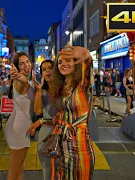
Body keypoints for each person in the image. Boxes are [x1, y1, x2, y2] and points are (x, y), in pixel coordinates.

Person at [49, 46, 95, 180]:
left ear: (76, 62)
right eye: (60, 62)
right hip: (61, 146)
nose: (63, 64)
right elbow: (59, 112)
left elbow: (88, 63)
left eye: (68, 60)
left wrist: (85, 54)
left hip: (80, 147)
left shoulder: (83, 85)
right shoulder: (60, 87)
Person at [4, 52, 35, 180]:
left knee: (19, 169)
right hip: (19, 130)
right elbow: (23, 83)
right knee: (14, 171)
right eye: (22, 63)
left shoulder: (27, 79)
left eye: (27, 61)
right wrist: (20, 78)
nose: (26, 65)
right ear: (16, 67)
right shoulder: (21, 81)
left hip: (19, 127)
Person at [27, 60, 58, 180]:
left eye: (50, 68)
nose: (47, 71)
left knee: (61, 167)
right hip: (46, 131)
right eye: (44, 70)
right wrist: (39, 91)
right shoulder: (41, 90)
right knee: (47, 168)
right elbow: (38, 111)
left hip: (62, 131)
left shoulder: (64, 88)